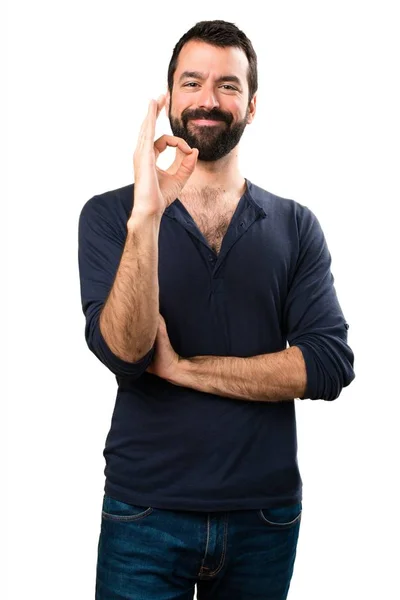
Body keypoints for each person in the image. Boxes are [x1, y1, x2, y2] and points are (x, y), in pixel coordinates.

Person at [78, 19, 355, 600]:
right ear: (170, 98)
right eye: (192, 82)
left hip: (264, 517)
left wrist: (184, 369)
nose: (209, 99)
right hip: (144, 513)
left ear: (252, 106)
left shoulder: (295, 225)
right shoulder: (112, 217)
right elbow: (127, 351)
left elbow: (328, 365)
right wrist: (147, 215)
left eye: (228, 85)